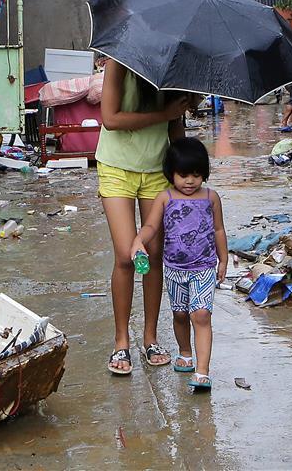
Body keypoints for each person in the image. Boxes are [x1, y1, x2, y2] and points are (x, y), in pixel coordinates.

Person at [97, 59, 190, 375]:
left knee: (153, 255)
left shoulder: (174, 67)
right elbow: (110, 118)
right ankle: (121, 340)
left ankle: (150, 337)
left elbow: (175, 130)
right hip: (116, 167)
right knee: (126, 256)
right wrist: (164, 114)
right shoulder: (117, 63)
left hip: (156, 169)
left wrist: (187, 176)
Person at [131, 137, 227, 391]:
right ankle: (185, 352)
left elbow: (218, 230)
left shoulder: (211, 197)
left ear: (204, 174)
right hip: (174, 269)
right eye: (183, 175)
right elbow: (151, 226)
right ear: (171, 173)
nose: (190, 181)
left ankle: (203, 371)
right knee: (180, 314)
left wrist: (223, 259)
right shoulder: (165, 198)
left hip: (203, 267)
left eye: (196, 175)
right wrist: (138, 241)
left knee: (201, 314)